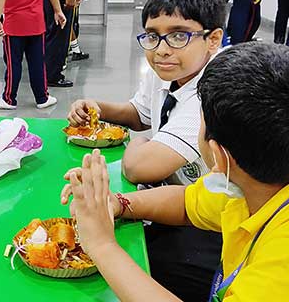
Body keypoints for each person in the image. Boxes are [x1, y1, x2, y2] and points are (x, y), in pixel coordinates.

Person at [61, 42, 289, 302]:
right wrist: (118, 203)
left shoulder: (280, 263)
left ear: (219, 156)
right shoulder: (247, 187)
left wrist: (102, 245)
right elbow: (186, 203)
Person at [67, 0, 224, 301]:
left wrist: (138, 144)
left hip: (210, 232)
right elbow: (139, 115)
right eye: (153, 36)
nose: (162, 49)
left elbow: (141, 168)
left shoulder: (214, 92)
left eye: (180, 35)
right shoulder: (167, 68)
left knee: (123, 262)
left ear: (213, 39)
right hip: (187, 204)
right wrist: (97, 106)